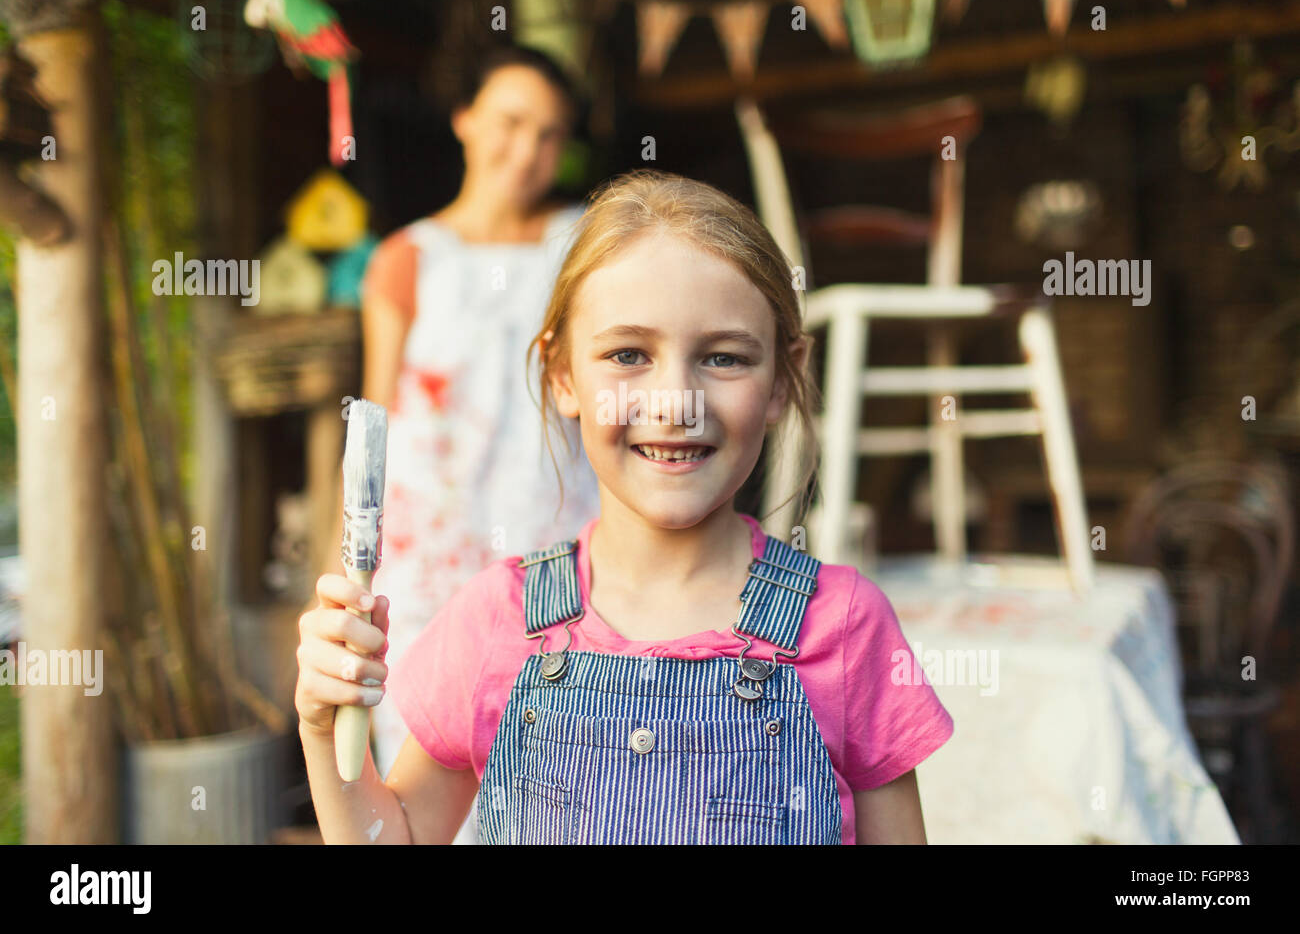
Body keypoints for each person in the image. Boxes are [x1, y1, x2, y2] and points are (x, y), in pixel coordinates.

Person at [299, 170, 954, 844]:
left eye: (724, 358)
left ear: (784, 382)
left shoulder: (844, 626)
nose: (675, 402)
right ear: (563, 377)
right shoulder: (500, 620)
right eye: (628, 354)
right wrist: (321, 728)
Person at [351, 45, 600, 838]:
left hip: (560, 556)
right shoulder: (408, 260)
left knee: (569, 790)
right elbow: (372, 425)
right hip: (427, 570)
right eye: (511, 122)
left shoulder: (585, 245)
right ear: (464, 120)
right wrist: (342, 571)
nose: (528, 151)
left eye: (551, 135)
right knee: (430, 793)